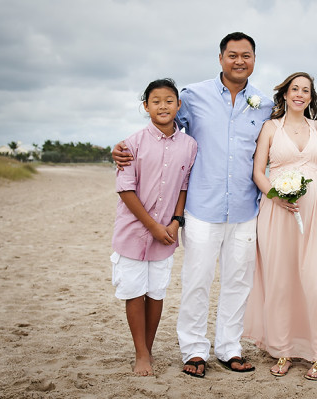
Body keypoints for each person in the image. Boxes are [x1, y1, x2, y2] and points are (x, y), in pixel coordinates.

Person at [112, 32, 273, 378]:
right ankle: (195, 350)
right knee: (197, 280)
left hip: (246, 209)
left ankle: (229, 348)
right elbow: (164, 133)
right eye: (232, 55)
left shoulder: (264, 104)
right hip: (201, 206)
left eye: (246, 55)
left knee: (237, 282)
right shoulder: (192, 96)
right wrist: (120, 148)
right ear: (220, 58)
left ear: (254, 60)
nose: (239, 61)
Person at [243, 72, 317, 380]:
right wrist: (276, 195)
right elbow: (258, 171)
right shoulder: (270, 127)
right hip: (277, 212)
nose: (300, 94)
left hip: (314, 216)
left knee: (313, 282)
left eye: (306, 90)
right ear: (285, 93)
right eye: (295, 88)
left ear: (311, 97)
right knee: (280, 281)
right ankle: (282, 351)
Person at [111, 78, 197, 376]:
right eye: (156, 101)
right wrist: (153, 227)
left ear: (178, 105)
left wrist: (175, 222)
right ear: (146, 106)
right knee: (135, 291)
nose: (163, 106)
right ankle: (141, 353)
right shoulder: (130, 143)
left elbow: (184, 186)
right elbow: (125, 189)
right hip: (133, 232)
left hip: (166, 234)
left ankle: (148, 347)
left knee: (156, 292)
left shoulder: (189, 145)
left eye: (169, 100)